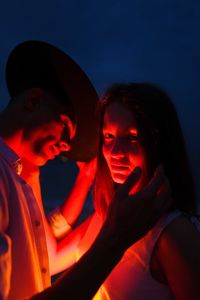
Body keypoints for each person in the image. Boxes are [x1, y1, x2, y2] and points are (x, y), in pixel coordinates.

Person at [0, 41, 171, 300]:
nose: (68, 144)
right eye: (66, 126)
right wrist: (114, 240)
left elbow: (46, 256)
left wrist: (84, 178)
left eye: (131, 138)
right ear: (34, 101)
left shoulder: (19, 174)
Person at [52, 82, 200, 299]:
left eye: (131, 138)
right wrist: (33, 167)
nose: (115, 152)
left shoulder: (173, 232)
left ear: (159, 143)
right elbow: (51, 258)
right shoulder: (107, 215)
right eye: (108, 137)